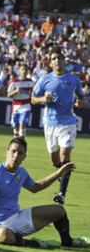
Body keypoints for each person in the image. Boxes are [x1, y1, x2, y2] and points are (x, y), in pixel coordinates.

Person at [0, 137, 89, 248]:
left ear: (24, 157)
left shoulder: (21, 172)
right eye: (13, 151)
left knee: (59, 211)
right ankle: (36, 244)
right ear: (6, 152)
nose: (16, 156)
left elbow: (36, 187)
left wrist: (59, 173)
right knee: (4, 235)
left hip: (15, 218)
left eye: (20, 153)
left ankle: (68, 243)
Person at [31, 50, 84, 205]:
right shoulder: (44, 80)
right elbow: (33, 99)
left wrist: (80, 102)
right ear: (50, 62)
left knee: (64, 156)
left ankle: (61, 194)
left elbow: (81, 97)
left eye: (59, 58)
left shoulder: (73, 80)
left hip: (68, 123)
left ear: (64, 61)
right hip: (49, 124)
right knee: (55, 161)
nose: (57, 61)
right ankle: (61, 173)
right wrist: (42, 99)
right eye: (54, 58)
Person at [7, 64, 35, 138]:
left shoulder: (31, 82)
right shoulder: (13, 82)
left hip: (26, 105)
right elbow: (9, 95)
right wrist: (16, 91)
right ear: (19, 71)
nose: (24, 71)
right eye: (22, 69)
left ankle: (21, 139)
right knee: (15, 125)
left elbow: (35, 94)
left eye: (26, 70)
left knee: (22, 122)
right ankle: (16, 138)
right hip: (16, 106)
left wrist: (31, 93)